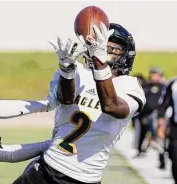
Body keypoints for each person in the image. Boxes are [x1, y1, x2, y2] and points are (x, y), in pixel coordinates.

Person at [13, 22, 146, 184]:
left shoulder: (130, 85)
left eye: (114, 48)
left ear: (126, 54)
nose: (107, 52)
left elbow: (112, 106)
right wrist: (67, 69)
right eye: (103, 46)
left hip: (85, 178)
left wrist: (100, 63)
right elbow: (65, 99)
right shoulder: (79, 71)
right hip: (48, 167)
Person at [136, 67, 166, 169]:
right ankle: (140, 150)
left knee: (159, 136)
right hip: (145, 114)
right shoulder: (146, 86)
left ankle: (162, 159)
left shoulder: (163, 87)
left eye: (155, 74)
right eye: (152, 74)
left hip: (157, 115)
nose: (153, 76)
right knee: (142, 133)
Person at [158, 77, 177, 183]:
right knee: (174, 155)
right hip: (175, 126)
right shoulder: (173, 84)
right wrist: (160, 126)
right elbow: (164, 104)